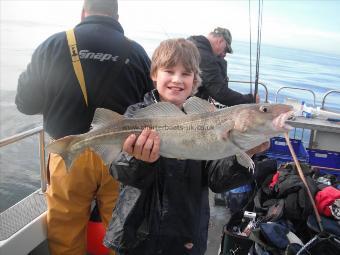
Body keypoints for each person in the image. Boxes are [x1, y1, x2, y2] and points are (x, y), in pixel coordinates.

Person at [103, 38, 271, 255]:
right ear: (154, 75)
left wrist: (243, 152)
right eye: (169, 71)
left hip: (186, 234)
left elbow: (217, 181)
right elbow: (118, 171)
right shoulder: (135, 116)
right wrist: (138, 160)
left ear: (195, 80)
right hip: (137, 232)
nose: (177, 80)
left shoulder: (207, 119)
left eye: (186, 74)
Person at [15, 0, 153, 254]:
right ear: (117, 16)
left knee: (65, 234)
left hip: (69, 152)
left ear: (83, 12)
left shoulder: (53, 45)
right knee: (121, 231)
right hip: (121, 157)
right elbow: (150, 108)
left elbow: (25, 103)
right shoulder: (137, 53)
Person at [188, 27, 258, 106]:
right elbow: (220, 93)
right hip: (189, 108)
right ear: (220, 41)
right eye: (226, 49)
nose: (224, 54)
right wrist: (250, 99)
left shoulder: (191, 43)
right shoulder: (206, 58)